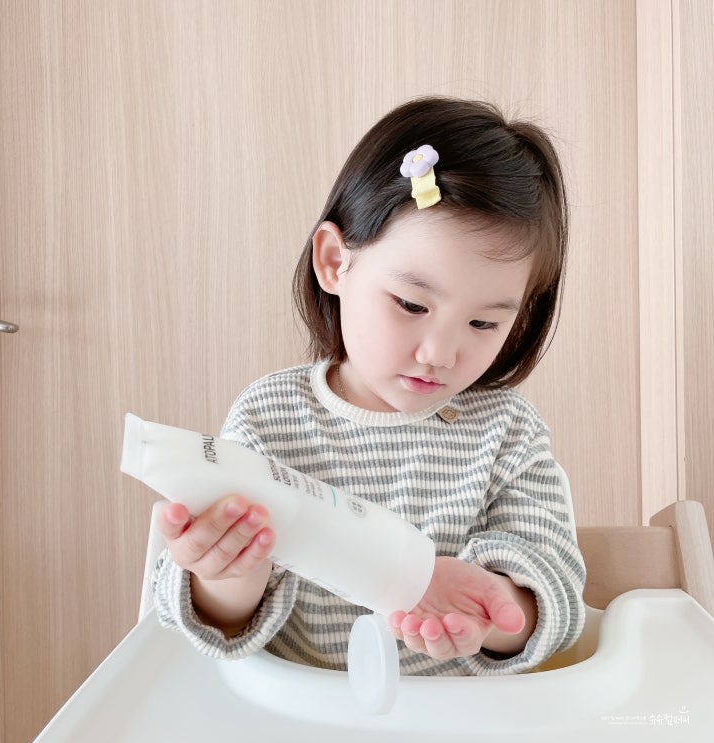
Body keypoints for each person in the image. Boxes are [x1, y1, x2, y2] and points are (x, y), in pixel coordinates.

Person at [152, 96, 586, 676]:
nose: (440, 354)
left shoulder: (507, 431)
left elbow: (555, 585)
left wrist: (501, 612)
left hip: (463, 714)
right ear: (335, 262)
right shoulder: (270, 418)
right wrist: (228, 573)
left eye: (484, 323)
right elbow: (207, 621)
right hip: (302, 713)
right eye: (411, 304)